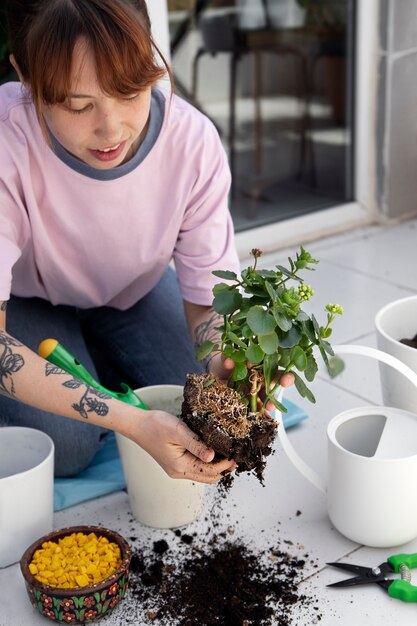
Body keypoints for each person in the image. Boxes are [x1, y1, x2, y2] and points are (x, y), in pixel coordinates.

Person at [0, 0, 293, 483]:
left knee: (204, 402)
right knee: (69, 447)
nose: (112, 130)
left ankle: (95, 346)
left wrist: (224, 359)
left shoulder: (192, 142)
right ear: (25, 77)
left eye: (130, 89)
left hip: (131, 292)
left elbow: (206, 303)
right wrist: (130, 421)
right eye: (77, 105)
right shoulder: (9, 143)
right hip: (28, 302)